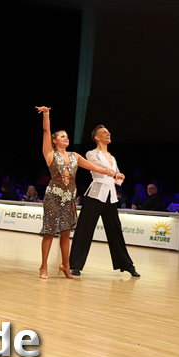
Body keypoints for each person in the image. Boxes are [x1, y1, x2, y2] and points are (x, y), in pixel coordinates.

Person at [34, 106, 123, 279]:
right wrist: (46, 114)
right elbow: (46, 131)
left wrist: (114, 174)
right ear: (54, 141)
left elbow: (95, 167)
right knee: (50, 232)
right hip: (53, 196)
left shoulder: (75, 156)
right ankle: (43, 267)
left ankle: (65, 266)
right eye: (62, 136)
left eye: (67, 136)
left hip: (69, 198)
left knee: (66, 233)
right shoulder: (50, 154)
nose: (66, 138)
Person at [69, 124, 139, 277]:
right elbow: (98, 168)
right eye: (105, 132)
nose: (109, 134)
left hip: (110, 196)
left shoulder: (112, 157)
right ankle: (75, 264)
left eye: (109, 132)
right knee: (85, 229)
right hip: (95, 194)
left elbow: (116, 174)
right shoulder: (91, 154)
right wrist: (114, 174)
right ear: (97, 137)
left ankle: (126, 265)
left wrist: (120, 176)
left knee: (115, 231)